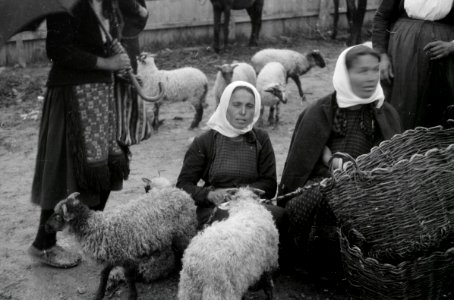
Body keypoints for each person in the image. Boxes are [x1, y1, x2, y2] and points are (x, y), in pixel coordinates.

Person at [28, 0, 131, 268]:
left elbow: (135, 20)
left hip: (101, 96)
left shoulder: (106, 3)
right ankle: (44, 244)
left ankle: (90, 233)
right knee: (65, 175)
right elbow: (58, 50)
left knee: (106, 166)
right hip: (72, 99)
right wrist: (106, 62)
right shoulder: (67, 3)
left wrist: (118, 61)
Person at [176, 81, 282, 226]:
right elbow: (183, 185)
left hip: (251, 204)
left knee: (281, 216)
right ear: (225, 106)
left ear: (256, 109)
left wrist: (243, 193)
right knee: (234, 223)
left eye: (249, 106)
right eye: (236, 105)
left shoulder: (261, 138)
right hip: (214, 208)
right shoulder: (205, 142)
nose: (243, 112)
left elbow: (269, 184)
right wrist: (210, 195)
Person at [372, 0, 454, 130]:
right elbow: (381, 17)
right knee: (402, 109)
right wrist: (381, 55)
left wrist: (451, 46)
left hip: (444, 61)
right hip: (402, 57)